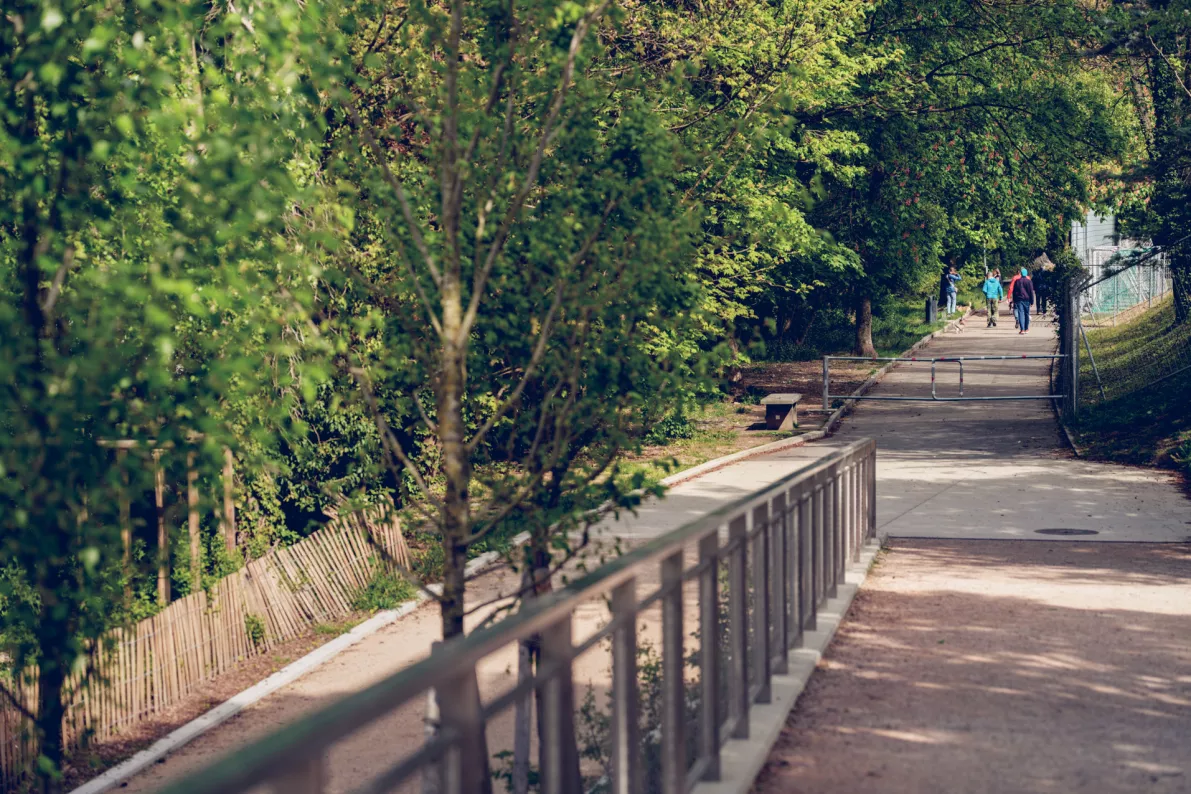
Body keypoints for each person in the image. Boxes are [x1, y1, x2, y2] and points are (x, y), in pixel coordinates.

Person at [1011, 267, 1035, 333]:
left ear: (1021, 274)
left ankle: (1022, 329)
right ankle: (1026, 328)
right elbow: (1031, 292)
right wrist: (1032, 301)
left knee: (1020, 313)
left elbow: (1014, 291)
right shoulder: (1029, 281)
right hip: (1027, 300)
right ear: (1026, 274)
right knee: (1027, 314)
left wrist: (1014, 299)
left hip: (1019, 299)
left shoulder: (1017, 281)